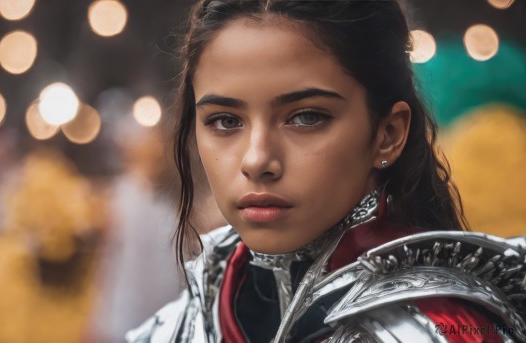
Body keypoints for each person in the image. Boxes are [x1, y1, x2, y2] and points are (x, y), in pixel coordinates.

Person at [127, 1, 526, 342]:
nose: (256, 160)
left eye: (306, 117)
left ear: (388, 135)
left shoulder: (436, 327)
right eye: (226, 121)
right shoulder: (196, 311)